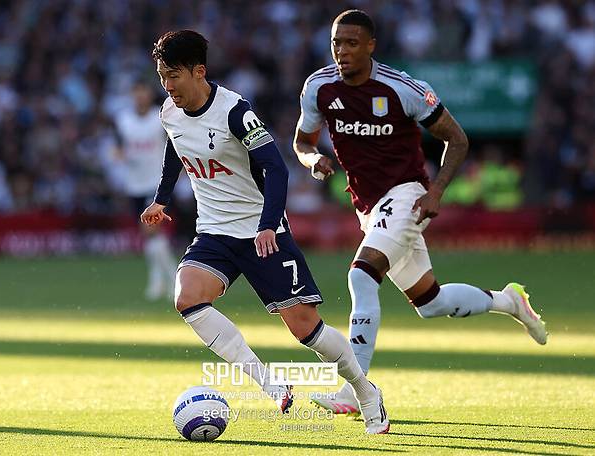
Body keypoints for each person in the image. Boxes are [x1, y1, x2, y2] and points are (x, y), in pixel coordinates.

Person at [293, 10, 548, 415]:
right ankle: (509, 301)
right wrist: (312, 160)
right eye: (336, 43)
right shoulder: (319, 87)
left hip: (407, 195)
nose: (342, 51)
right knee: (431, 302)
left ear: (371, 46)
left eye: (352, 43)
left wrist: (436, 191)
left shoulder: (402, 89)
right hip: (368, 207)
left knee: (361, 275)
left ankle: (356, 391)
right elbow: (303, 141)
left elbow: (457, 139)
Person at [141, 29, 389, 434]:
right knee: (187, 298)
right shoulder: (170, 112)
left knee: (305, 327)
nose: (167, 85)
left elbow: (275, 168)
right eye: (161, 76)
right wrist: (161, 199)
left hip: (261, 231)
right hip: (214, 231)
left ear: (199, 71)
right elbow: (175, 148)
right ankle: (270, 383)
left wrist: (269, 224)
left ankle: (365, 390)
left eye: (174, 75)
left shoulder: (236, 113)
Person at [113, 79, 177, 300]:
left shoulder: (159, 118)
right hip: (134, 184)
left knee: (151, 230)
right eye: (137, 92)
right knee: (150, 236)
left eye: (144, 92)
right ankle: (159, 280)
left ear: (150, 94)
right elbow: (117, 148)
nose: (140, 96)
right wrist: (119, 156)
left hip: (156, 183)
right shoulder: (123, 120)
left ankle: (172, 279)